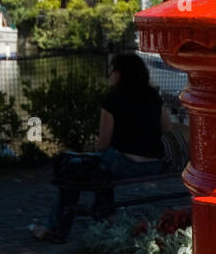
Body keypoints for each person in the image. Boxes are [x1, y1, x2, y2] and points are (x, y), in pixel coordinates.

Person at [31, 53, 173, 242]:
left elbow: (103, 143)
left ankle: (56, 228)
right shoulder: (153, 96)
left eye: (112, 70)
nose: (110, 74)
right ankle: (104, 216)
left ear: (121, 73)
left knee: (75, 169)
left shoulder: (113, 99)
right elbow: (168, 128)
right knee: (99, 168)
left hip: (125, 164)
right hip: (155, 164)